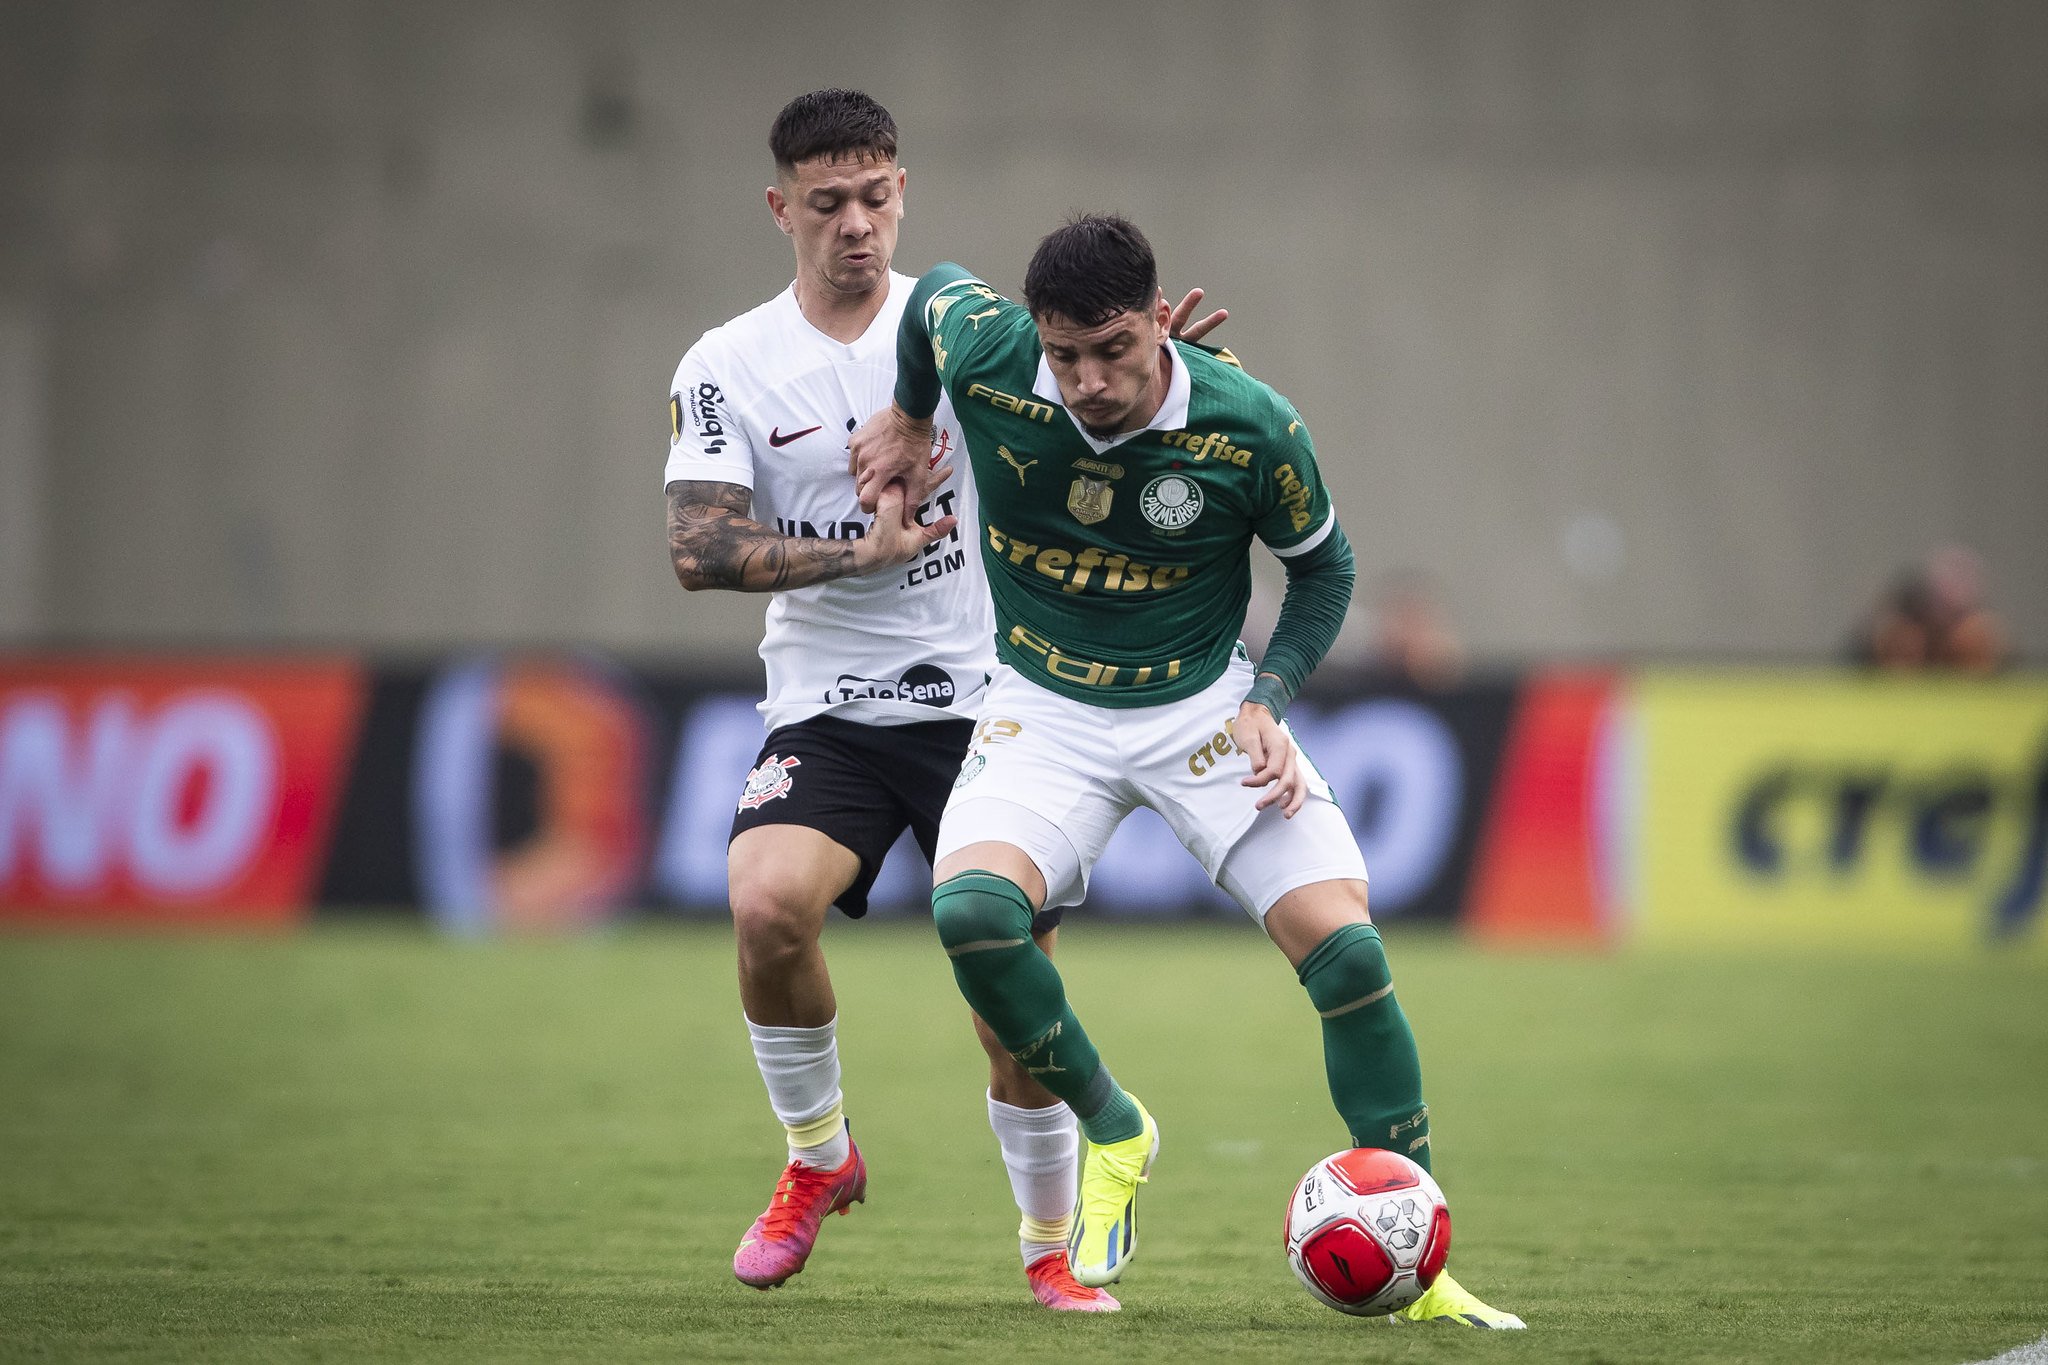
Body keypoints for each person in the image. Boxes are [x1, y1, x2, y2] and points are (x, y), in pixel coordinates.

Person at [850, 215, 1523, 1327]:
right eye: (1063, 355)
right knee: (969, 911)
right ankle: (1115, 1128)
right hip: (1042, 705)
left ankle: (1422, 1255)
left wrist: (1267, 700)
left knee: (1346, 951)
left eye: (1111, 349)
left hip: (1202, 710)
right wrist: (909, 414)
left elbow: (1324, 573)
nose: (1085, 380)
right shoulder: (989, 349)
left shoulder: (1248, 424)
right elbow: (927, 305)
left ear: (1161, 322)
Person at [662, 91, 1224, 1311]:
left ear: (901, 192)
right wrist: (849, 557)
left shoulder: (977, 334)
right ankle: (820, 1160)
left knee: (1006, 986)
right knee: (763, 906)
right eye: (826, 204)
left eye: (874, 197)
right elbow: (697, 548)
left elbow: (1110, 415)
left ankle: (1044, 1245)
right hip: (827, 704)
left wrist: (1179, 377)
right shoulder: (727, 364)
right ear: (781, 211)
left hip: (995, 704)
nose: (855, 225)